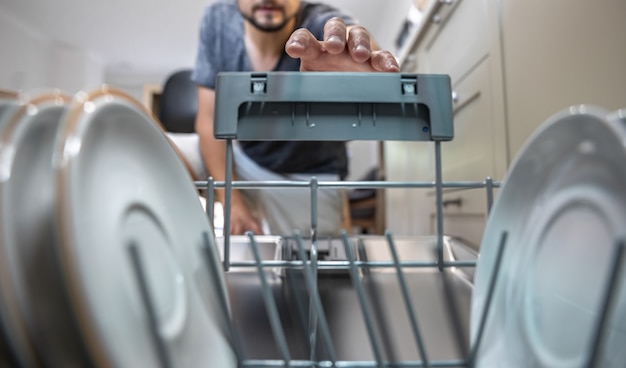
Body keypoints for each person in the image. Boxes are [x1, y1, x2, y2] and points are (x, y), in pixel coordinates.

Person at [191, 0, 399, 236]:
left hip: (310, 177)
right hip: (245, 164)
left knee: (310, 264)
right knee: (162, 148)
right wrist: (232, 203)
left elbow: (351, 36)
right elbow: (209, 122)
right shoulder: (217, 21)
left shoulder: (320, 22)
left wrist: (364, 59)